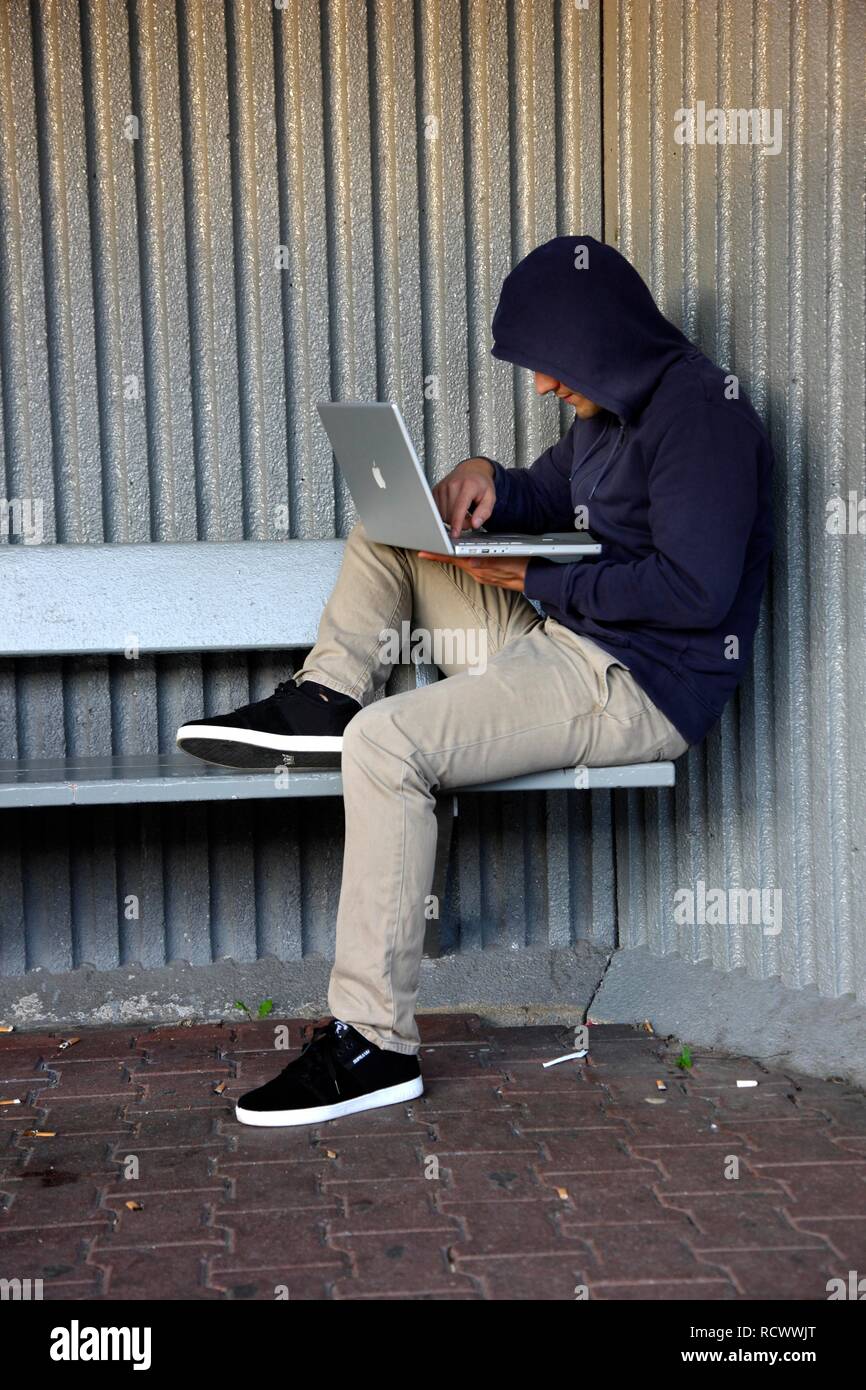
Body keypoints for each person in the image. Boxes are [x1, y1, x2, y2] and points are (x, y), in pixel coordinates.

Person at [176, 235, 774, 1127]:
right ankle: (323, 697)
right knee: (392, 530)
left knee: (387, 744)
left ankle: (373, 1046)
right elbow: (545, 491)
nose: (542, 386)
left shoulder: (704, 415)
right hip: (561, 641)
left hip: (633, 685)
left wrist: (539, 582)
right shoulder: (606, 412)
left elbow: (695, 594)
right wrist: (484, 477)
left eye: (551, 368)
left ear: (602, 340)